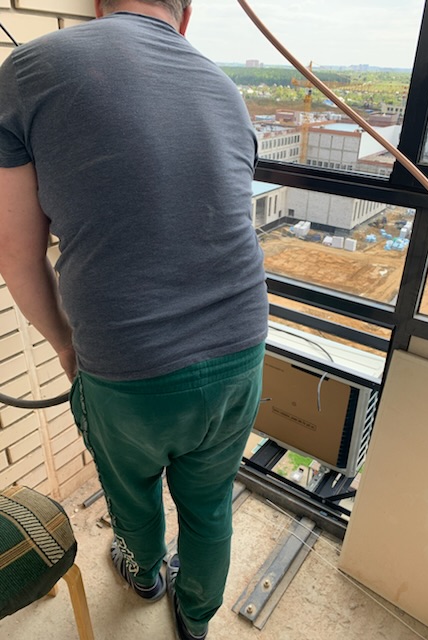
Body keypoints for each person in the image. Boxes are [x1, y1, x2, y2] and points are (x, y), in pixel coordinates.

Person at [0, 1, 269, 638]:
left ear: (98, 7)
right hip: (241, 347)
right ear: (186, 15)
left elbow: (16, 253)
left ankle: (145, 574)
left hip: (128, 362)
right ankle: (195, 622)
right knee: (209, 505)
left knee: (133, 492)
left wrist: (67, 347)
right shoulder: (225, 88)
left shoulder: (29, 69)